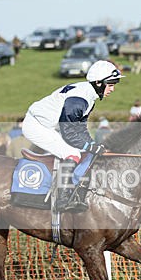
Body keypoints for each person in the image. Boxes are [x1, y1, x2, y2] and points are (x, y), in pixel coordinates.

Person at [21, 60, 123, 211]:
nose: (112, 89)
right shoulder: (79, 100)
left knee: (82, 151)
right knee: (72, 153)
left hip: (47, 125)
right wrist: (90, 146)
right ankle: (62, 199)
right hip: (36, 125)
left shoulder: (88, 95)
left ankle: (74, 192)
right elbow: (68, 133)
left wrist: (93, 145)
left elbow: (80, 128)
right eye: (110, 84)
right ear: (98, 83)